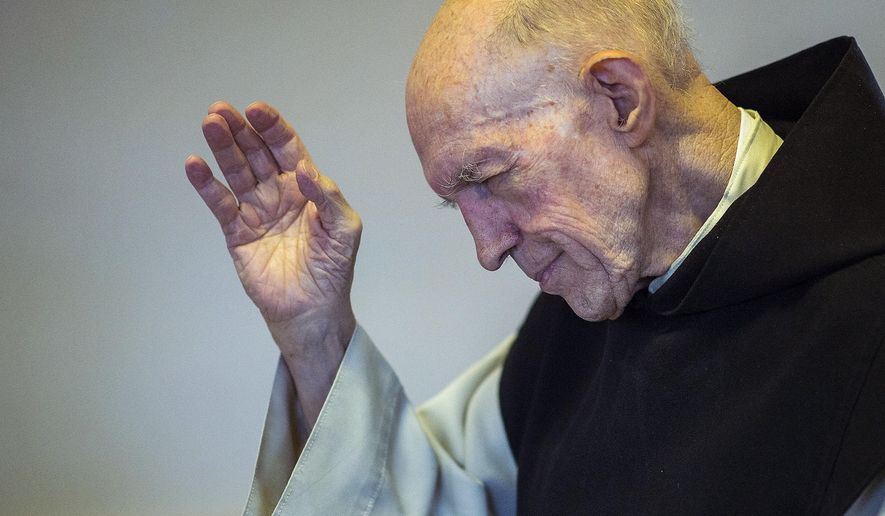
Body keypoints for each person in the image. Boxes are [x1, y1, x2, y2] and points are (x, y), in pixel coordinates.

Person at [184, 0, 885, 514]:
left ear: (619, 99)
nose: (487, 251)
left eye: (490, 179)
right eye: (456, 203)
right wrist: (314, 329)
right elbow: (444, 500)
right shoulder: (580, 312)